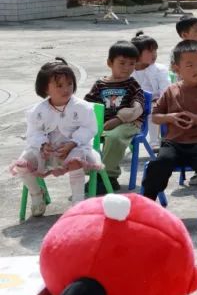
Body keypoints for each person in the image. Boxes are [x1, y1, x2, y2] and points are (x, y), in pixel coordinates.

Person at [143, 40, 197, 226]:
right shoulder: (171, 91)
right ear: (177, 68)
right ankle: (147, 204)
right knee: (159, 163)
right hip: (174, 142)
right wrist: (171, 117)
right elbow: (156, 117)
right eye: (189, 65)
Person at [10, 59, 103, 216]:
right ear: (45, 88)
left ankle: (78, 202)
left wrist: (73, 143)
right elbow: (33, 133)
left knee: (75, 162)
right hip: (47, 152)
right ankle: (37, 194)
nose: (66, 89)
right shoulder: (38, 111)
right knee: (22, 165)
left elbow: (89, 128)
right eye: (59, 85)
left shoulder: (82, 107)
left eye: (69, 84)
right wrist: (42, 144)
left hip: (75, 149)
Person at [84, 41, 144, 191]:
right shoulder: (100, 84)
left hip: (128, 123)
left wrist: (118, 119)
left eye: (131, 64)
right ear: (110, 63)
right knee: (81, 138)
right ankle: (94, 173)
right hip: (102, 124)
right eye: (122, 63)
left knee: (114, 137)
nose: (127, 68)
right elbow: (88, 105)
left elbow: (138, 107)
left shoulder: (132, 84)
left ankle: (109, 176)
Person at [131, 31, 170, 149]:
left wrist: (157, 102)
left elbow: (166, 91)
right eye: (149, 51)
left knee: (153, 111)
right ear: (137, 54)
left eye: (155, 50)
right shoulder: (128, 71)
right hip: (135, 105)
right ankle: (130, 139)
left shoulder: (160, 70)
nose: (154, 54)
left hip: (155, 103)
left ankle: (154, 142)